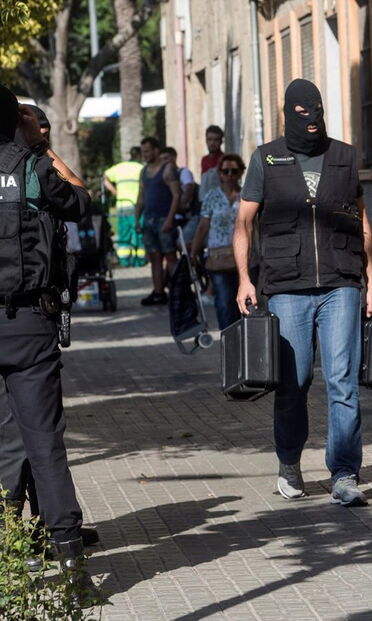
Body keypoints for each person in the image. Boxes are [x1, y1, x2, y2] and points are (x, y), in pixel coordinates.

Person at [233, 79, 372, 507]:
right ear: (288, 113)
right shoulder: (266, 158)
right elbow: (245, 222)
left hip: (341, 283)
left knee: (343, 381)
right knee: (294, 382)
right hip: (287, 286)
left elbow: (362, 223)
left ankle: (344, 473)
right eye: (302, 113)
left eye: (316, 112)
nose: (310, 120)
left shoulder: (344, 157)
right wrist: (245, 279)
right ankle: (289, 462)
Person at [0, 85, 100, 605]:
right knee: (45, 447)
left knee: (5, 448)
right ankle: (71, 572)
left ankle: (8, 564)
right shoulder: (34, 170)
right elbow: (82, 202)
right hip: (29, 328)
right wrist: (39, 147)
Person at [192, 153, 245, 329]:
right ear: (219, 174)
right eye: (225, 171)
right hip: (218, 258)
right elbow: (203, 226)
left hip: (244, 258)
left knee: (244, 302)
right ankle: (228, 337)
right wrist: (193, 252)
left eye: (234, 171)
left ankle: (244, 339)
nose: (229, 175)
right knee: (223, 301)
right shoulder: (211, 197)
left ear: (240, 173)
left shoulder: (247, 196)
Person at [135, 136, 181, 305]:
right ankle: (158, 291)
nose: (144, 155)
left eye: (147, 151)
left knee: (170, 256)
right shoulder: (144, 172)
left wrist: (170, 219)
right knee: (154, 257)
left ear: (156, 150)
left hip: (164, 219)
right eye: (142, 152)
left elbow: (176, 195)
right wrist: (137, 218)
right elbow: (141, 196)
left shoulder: (167, 169)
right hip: (149, 219)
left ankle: (178, 291)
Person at [104, 147, 146, 266]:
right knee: (138, 232)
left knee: (124, 233)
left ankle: (124, 261)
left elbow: (105, 178)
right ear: (139, 155)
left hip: (122, 206)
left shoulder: (119, 167)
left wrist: (115, 191)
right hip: (137, 207)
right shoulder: (141, 168)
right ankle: (140, 260)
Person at [162, 146, 200, 244]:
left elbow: (189, 187)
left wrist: (182, 204)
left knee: (182, 243)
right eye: (162, 159)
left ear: (174, 157)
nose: (164, 162)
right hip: (172, 216)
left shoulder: (183, 172)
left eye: (166, 158)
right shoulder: (164, 175)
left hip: (184, 217)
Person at [198, 125, 224, 204]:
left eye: (216, 140)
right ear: (206, 140)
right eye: (210, 139)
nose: (212, 143)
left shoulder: (224, 160)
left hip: (219, 202)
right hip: (204, 202)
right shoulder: (204, 160)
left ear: (221, 141)